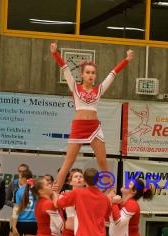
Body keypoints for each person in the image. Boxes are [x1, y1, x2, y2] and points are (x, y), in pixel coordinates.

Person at [50, 42, 135, 192]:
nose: (90, 75)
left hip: (94, 128)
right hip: (78, 127)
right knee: (68, 163)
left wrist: (126, 60)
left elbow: (113, 74)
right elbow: (65, 68)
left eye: (93, 73)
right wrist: (55, 53)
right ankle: (54, 195)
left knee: (103, 162)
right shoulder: (75, 87)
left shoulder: (99, 89)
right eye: (87, 72)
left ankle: (110, 194)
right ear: (82, 74)